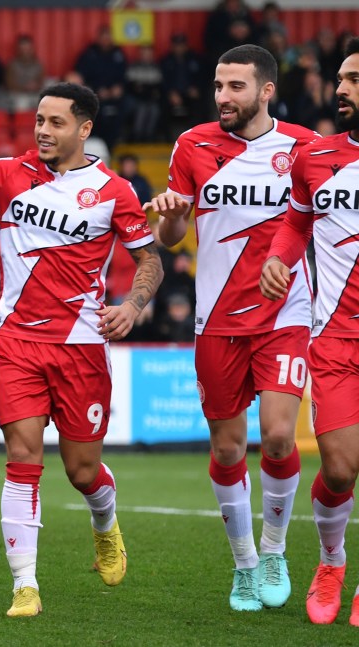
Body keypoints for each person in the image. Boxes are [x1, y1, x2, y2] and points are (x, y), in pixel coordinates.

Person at [0, 58, 162, 616]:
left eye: (55, 122)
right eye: (38, 120)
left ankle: (105, 521)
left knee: (82, 472)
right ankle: (25, 584)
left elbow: (149, 258)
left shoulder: (114, 191)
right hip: (17, 343)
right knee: (22, 457)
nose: (43, 130)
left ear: (84, 129)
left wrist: (134, 304)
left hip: (81, 348)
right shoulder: (10, 172)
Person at [146, 44, 317, 613]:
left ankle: (273, 551)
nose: (222, 97)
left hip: (285, 314)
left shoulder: (302, 147)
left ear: (266, 90)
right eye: (218, 86)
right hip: (215, 321)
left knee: (275, 436)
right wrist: (171, 211)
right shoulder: (191, 145)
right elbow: (171, 237)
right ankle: (243, 564)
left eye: (235, 87)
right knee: (226, 450)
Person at [260, 37, 359, 626]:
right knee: (341, 468)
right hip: (336, 339)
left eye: (353, 79)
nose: (341, 89)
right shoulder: (316, 157)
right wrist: (280, 256)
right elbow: (296, 224)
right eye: (342, 78)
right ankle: (332, 560)